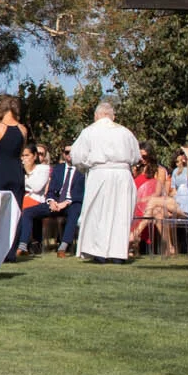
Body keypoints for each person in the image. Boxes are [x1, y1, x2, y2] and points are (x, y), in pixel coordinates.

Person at [69, 102, 143, 263]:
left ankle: (99, 252)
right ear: (113, 116)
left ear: (96, 116)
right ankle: (118, 254)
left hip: (100, 174)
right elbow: (136, 156)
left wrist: (85, 167)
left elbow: (77, 156)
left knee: (98, 213)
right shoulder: (126, 132)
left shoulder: (89, 131)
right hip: (123, 175)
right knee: (120, 214)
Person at [13, 145, 83, 259]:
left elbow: (80, 193)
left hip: (71, 204)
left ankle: (63, 247)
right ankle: (23, 246)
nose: (69, 154)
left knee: (75, 211)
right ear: (63, 154)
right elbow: (50, 191)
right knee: (28, 211)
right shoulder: (58, 169)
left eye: (72, 152)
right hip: (54, 204)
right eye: (66, 152)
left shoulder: (82, 170)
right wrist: (51, 201)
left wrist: (66, 202)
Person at [0, 94, 27, 228]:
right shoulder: (23, 130)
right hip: (16, 171)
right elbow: (20, 153)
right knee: (15, 212)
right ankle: (12, 245)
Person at [132, 145, 185, 255]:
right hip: (136, 202)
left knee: (157, 211)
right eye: (140, 156)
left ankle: (135, 238)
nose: (142, 159)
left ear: (151, 156)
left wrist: (142, 200)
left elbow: (158, 192)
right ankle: (135, 242)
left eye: (145, 156)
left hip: (151, 201)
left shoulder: (159, 170)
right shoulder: (136, 170)